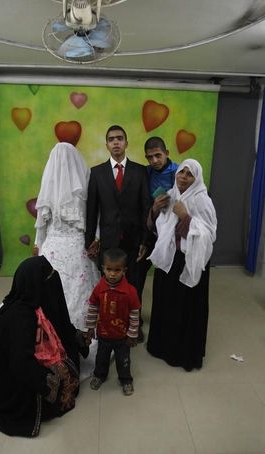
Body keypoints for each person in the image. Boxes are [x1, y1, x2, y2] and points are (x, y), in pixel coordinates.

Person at [0, 142, 100, 380]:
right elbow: (94, 219)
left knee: (43, 292)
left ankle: (47, 333)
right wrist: (95, 239)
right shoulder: (83, 188)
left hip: (52, 250)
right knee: (76, 292)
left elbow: (42, 225)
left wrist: (40, 247)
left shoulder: (49, 191)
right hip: (76, 250)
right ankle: (69, 333)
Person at [0, 256, 87, 437]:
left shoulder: (35, 300)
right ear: (35, 283)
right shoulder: (21, 316)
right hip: (2, 369)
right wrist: (47, 381)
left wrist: (75, 336)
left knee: (69, 361)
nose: (53, 281)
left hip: (19, 358)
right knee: (47, 396)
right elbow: (20, 363)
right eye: (48, 278)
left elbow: (59, 323)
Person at [146, 159, 217, 371]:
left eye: (189, 174)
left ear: (197, 179)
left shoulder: (202, 200)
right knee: (165, 303)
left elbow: (209, 235)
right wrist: (155, 210)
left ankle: (182, 353)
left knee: (185, 308)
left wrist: (185, 216)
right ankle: (161, 347)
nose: (183, 177)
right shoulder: (171, 194)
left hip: (189, 260)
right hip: (169, 260)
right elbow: (156, 227)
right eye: (181, 172)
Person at [85, 125, 151, 341]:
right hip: (109, 240)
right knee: (110, 286)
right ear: (106, 144)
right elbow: (92, 210)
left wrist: (145, 240)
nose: (116, 142)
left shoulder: (140, 171)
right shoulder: (96, 173)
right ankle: (110, 326)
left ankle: (134, 325)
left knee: (134, 284)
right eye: (111, 139)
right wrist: (90, 241)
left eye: (120, 138)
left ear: (126, 143)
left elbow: (145, 209)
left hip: (134, 241)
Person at [84, 248, 140, 396]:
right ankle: (99, 376)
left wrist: (132, 334)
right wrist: (90, 327)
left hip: (122, 337)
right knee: (101, 358)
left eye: (117, 270)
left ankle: (126, 380)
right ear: (103, 268)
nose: (112, 274)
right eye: (109, 269)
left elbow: (134, 314)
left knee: (124, 361)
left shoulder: (130, 291)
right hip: (103, 334)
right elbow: (93, 307)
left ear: (124, 270)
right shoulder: (99, 288)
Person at [135, 137, 179, 314]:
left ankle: (167, 319)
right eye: (149, 157)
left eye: (158, 155)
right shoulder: (146, 172)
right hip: (151, 232)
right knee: (137, 273)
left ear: (167, 153)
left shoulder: (180, 172)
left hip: (174, 235)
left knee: (168, 281)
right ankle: (134, 319)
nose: (154, 161)